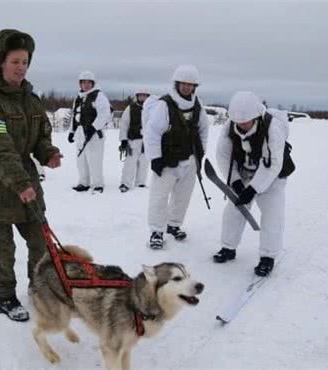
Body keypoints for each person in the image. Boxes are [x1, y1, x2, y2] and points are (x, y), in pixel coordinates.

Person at [0, 29, 63, 322]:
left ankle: (39, 288)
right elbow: (0, 148)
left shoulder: (32, 101)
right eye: (15, 61)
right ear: (0, 63)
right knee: (1, 247)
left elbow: (40, 137)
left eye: (25, 61)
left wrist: (48, 153)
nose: (21, 66)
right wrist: (21, 183)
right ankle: (5, 297)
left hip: (26, 181)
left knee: (40, 241)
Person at [213, 91, 295, 277]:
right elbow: (223, 156)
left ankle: (268, 257)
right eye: (238, 122)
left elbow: (273, 164)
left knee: (272, 216)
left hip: (273, 176)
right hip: (244, 171)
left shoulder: (272, 128)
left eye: (246, 121)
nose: (242, 125)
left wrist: (253, 189)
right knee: (234, 210)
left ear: (256, 116)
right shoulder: (229, 127)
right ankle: (228, 248)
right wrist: (235, 182)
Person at [144, 65, 209, 249]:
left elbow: (204, 130)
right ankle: (157, 230)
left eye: (191, 85)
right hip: (167, 160)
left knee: (183, 196)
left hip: (189, 160)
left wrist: (200, 153)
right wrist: (155, 158)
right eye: (184, 84)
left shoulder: (198, 106)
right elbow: (152, 132)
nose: (187, 88)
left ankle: (174, 225)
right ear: (177, 84)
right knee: (159, 196)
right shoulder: (165, 105)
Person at [67, 71, 111, 194]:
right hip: (80, 133)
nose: (86, 85)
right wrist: (71, 132)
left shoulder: (99, 96)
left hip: (95, 134)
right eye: (83, 82)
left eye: (88, 82)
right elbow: (75, 116)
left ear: (93, 83)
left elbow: (104, 115)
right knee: (81, 160)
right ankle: (83, 182)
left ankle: (97, 184)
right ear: (80, 84)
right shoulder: (78, 97)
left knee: (94, 160)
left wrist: (93, 127)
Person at [118, 88, 151, 192]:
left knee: (144, 163)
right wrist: (123, 139)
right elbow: (124, 124)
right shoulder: (131, 108)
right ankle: (125, 183)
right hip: (133, 140)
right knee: (130, 163)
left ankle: (140, 183)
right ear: (137, 96)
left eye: (145, 95)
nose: (142, 97)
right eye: (140, 95)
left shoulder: (152, 108)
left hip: (147, 142)